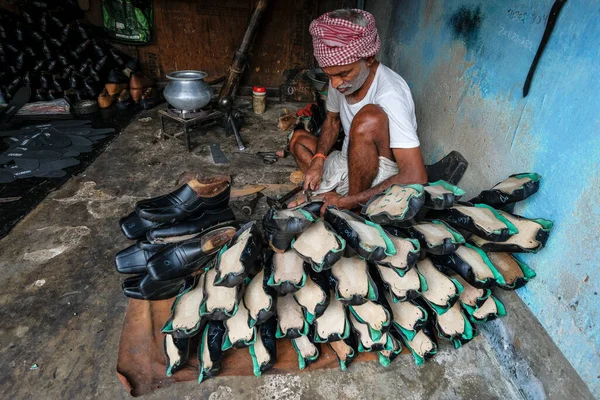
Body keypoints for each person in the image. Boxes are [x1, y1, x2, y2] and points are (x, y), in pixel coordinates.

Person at [289, 9, 427, 213]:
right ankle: (330, 194)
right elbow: (332, 121)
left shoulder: (391, 94)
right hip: (348, 162)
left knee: (368, 119)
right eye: (330, 75)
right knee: (298, 140)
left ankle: (349, 205)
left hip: (380, 173)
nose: (335, 84)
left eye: (343, 74)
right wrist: (319, 160)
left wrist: (347, 202)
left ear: (369, 58)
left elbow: (416, 175)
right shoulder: (342, 81)